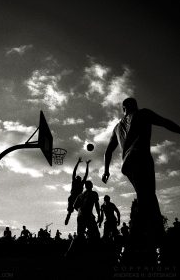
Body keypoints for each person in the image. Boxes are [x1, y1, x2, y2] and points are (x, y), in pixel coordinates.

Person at [102, 97, 180, 242]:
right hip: (141, 157)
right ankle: (142, 238)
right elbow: (164, 122)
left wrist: (106, 171)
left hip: (127, 165)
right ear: (132, 106)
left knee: (147, 196)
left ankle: (152, 235)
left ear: (123, 109)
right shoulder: (143, 113)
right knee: (147, 198)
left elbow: (107, 152)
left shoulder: (117, 128)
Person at [65, 157, 91, 225]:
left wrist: (87, 164)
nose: (78, 177)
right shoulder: (76, 182)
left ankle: (71, 214)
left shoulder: (78, 182)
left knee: (79, 209)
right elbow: (75, 171)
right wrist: (79, 163)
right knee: (76, 209)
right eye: (77, 177)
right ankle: (69, 215)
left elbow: (85, 174)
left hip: (76, 197)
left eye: (78, 177)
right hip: (75, 197)